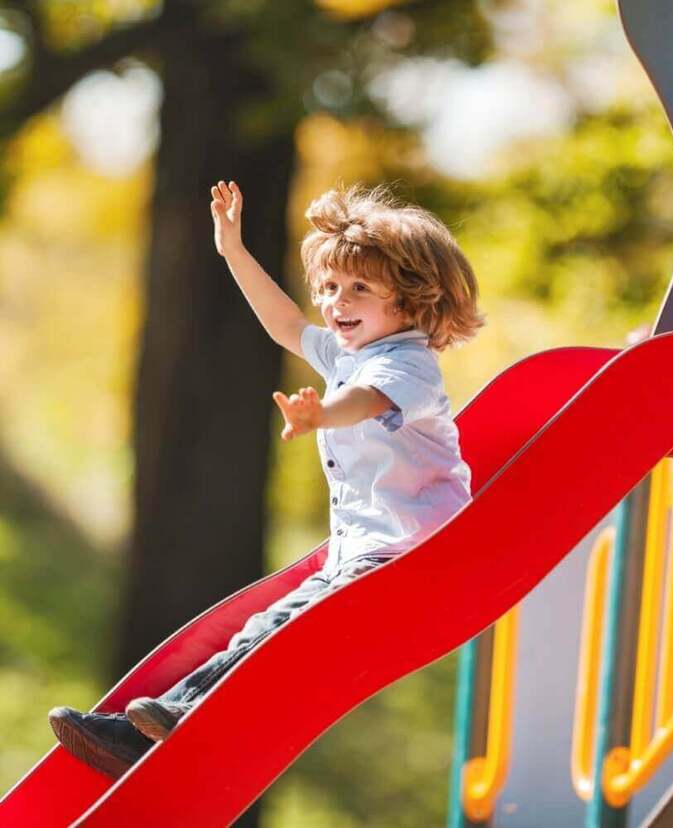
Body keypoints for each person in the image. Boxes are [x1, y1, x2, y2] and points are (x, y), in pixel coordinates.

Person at [48, 179, 485, 778]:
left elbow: (367, 401)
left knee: (282, 627)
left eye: (359, 288)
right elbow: (284, 323)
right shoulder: (349, 352)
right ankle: (152, 728)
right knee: (267, 624)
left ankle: (183, 719)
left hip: (410, 551)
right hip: (366, 550)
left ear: (410, 301)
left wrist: (320, 415)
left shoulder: (407, 364)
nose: (336, 302)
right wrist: (233, 250)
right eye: (329, 287)